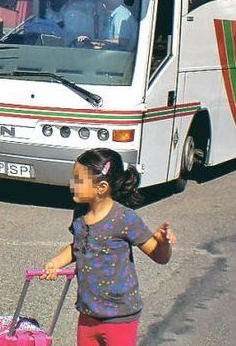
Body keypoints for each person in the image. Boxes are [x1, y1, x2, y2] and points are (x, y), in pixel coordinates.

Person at [42, 148, 176, 346]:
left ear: (101, 187)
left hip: (120, 316)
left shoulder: (124, 218)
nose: (72, 185)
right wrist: (55, 263)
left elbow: (160, 256)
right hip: (88, 313)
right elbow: (78, 246)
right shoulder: (80, 214)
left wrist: (163, 243)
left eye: (78, 180)